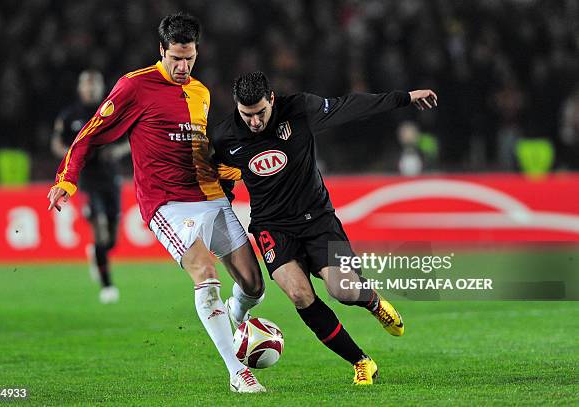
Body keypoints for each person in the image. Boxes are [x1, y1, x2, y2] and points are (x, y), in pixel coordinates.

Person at [47, 13, 266, 393]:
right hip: (166, 204)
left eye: (190, 58)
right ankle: (237, 371)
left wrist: (233, 171)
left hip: (209, 198)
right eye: (176, 58)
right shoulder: (134, 86)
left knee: (254, 286)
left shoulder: (201, 92)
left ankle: (236, 316)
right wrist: (66, 178)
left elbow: (201, 150)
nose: (183, 67)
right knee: (206, 274)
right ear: (161, 50)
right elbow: (89, 134)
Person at [211, 71, 438, 385]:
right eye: (246, 114)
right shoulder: (224, 137)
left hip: (317, 218)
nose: (254, 122)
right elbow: (218, 180)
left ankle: (372, 302)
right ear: (237, 106)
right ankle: (361, 361)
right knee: (299, 294)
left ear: (272, 100)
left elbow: (351, 106)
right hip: (272, 227)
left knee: (341, 289)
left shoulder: (300, 109)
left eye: (261, 113)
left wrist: (405, 98)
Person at [51, 69, 129, 304]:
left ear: (101, 87)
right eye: (87, 84)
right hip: (86, 181)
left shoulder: (112, 111)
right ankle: (107, 286)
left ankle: (97, 254)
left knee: (111, 240)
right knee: (99, 228)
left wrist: (117, 151)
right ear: (80, 87)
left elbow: (131, 141)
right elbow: (56, 143)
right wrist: (74, 155)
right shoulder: (69, 116)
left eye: (94, 85)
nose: (91, 89)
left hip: (111, 178)